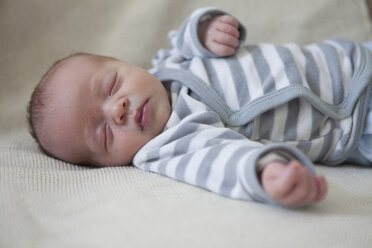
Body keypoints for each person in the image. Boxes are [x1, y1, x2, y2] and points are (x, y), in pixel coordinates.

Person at [28, 7, 372, 208]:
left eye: (111, 85)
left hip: (349, 58)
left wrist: (207, 29)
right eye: (104, 134)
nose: (117, 110)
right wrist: (264, 173)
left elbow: (189, 36)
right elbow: (219, 162)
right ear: (103, 165)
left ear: (124, 62)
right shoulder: (170, 144)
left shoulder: (171, 60)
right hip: (356, 124)